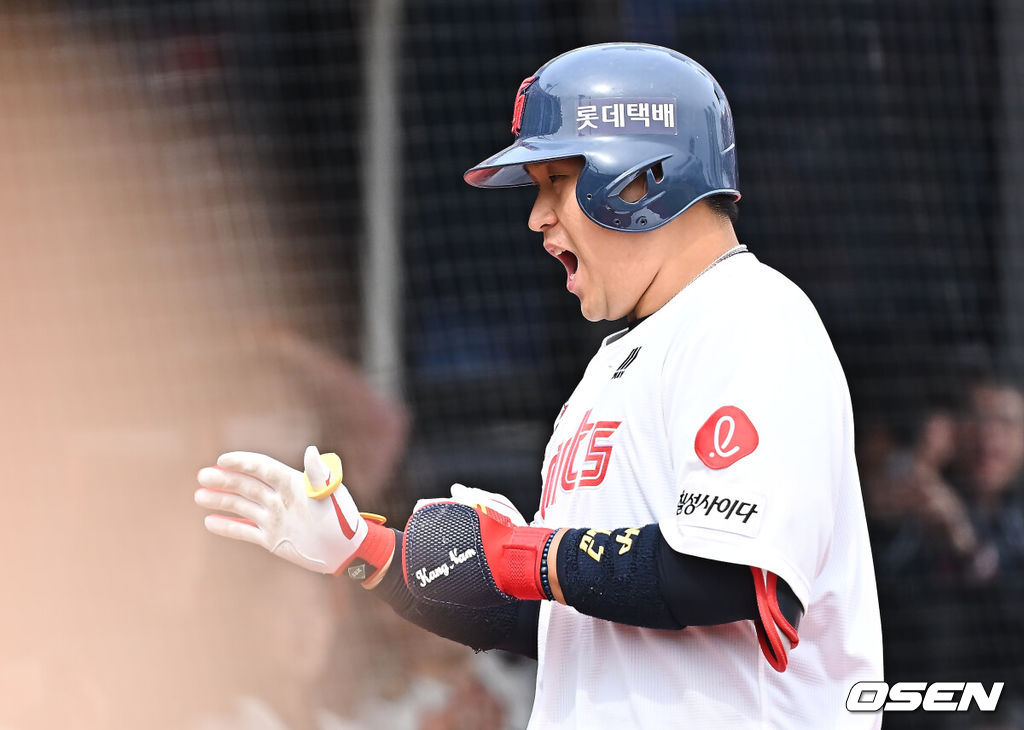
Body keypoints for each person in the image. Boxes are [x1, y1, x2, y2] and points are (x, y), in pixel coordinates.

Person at [196, 43, 883, 729]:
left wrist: (520, 553)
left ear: (644, 178)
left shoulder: (748, 316)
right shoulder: (614, 368)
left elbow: (728, 575)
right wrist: (366, 552)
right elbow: (563, 621)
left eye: (557, 181)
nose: (538, 216)